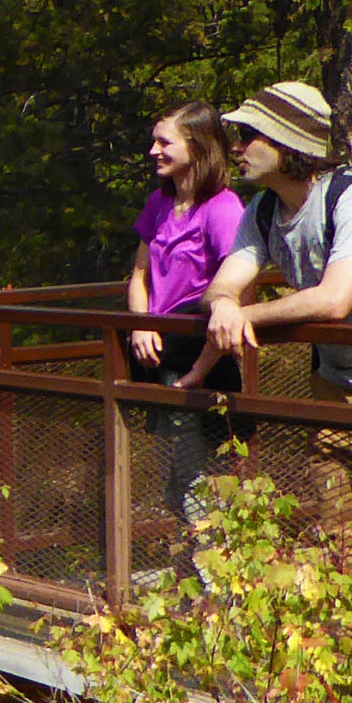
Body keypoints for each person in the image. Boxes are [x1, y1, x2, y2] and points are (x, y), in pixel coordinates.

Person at [192, 78, 352, 585]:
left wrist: (243, 315)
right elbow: (221, 287)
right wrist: (224, 304)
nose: (237, 148)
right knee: (342, 542)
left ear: (288, 143)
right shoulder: (264, 209)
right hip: (333, 385)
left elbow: (334, 299)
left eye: (250, 135)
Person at [126, 102, 246, 529]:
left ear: (197, 147)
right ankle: (195, 579)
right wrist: (142, 323)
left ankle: (216, 584)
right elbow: (140, 274)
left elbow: (236, 296)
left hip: (202, 360)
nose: (153, 151)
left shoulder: (223, 208)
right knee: (176, 478)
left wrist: (200, 369)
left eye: (164, 142)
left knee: (203, 481)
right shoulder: (159, 204)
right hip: (161, 359)